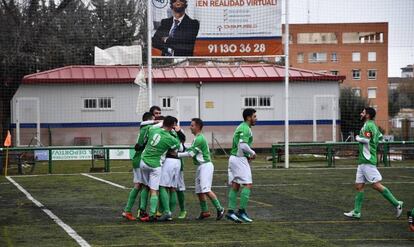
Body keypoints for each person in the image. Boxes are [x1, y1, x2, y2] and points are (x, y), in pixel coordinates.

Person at [344, 107, 403, 219]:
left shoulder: (369, 125)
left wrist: (357, 138)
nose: (361, 113)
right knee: (359, 186)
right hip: (363, 161)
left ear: (367, 115)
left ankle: (397, 203)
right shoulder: (372, 125)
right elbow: (380, 137)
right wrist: (374, 144)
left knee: (376, 185)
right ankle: (357, 212)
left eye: (363, 112)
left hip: (367, 160)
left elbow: (366, 140)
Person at [178, 118, 225, 220]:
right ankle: (205, 212)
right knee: (199, 191)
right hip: (200, 166)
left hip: (205, 166)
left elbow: (190, 154)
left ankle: (220, 208)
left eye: (192, 125)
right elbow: (190, 149)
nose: (190, 127)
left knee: (206, 189)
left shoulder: (199, 139)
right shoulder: (197, 138)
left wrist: (176, 154)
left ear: (198, 127)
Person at [139, 116, 181, 222]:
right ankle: (152, 214)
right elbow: (179, 148)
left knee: (144, 186)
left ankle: (142, 210)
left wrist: (159, 123)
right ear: (172, 126)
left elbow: (145, 126)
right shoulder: (170, 138)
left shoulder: (153, 129)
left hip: (143, 162)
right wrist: (176, 132)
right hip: (155, 165)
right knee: (154, 190)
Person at [226, 108, 257, 223]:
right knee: (248, 184)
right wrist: (252, 153)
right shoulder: (245, 128)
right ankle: (242, 211)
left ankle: (230, 212)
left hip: (235, 158)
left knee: (236, 185)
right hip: (238, 160)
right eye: (254, 116)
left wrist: (246, 155)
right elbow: (243, 145)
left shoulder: (241, 127)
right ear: (248, 117)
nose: (256, 119)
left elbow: (240, 146)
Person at [121, 112, 154, 221]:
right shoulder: (149, 128)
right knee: (144, 186)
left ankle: (129, 210)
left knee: (139, 185)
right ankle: (140, 211)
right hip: (141, 160)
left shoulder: (143, 128)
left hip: (137, 159)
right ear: (150, 119)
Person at [158, 125, 186, 221]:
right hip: (178, 162)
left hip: (169, 161)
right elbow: (182, 148)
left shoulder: (167, 132)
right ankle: (170, 212)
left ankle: (167, 211)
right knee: (173, 188)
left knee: (162, 186)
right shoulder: (179, 133)